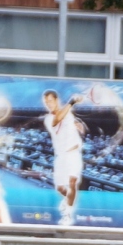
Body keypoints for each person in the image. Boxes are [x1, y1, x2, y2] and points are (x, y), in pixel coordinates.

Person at [42, 89, 85, 227]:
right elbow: (58, 119)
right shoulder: (48, 119)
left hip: (73, 154)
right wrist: (72, 101)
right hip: (60, 157)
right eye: (46, 102)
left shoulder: (68, 113)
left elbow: (68, 120)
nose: (48, 104)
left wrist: (78, 125)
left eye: (50, 101)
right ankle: (67, 199)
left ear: (56, 100)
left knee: (72, 182)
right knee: (60, 188)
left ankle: (67, 215)